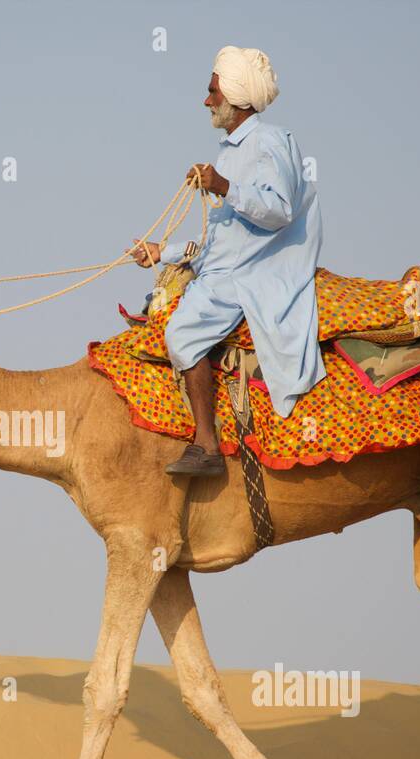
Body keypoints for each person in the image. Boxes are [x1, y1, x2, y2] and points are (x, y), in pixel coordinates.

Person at [129, 45, 325, 477]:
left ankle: (207, 446)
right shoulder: (231, 151)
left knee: (182, 331)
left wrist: (223, 185)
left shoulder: (270, 141)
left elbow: (278, 210)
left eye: (213, 91)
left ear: (235, 97)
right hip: (226, 267)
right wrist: (164, 252)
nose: (207, 101)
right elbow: (220, 238)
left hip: (253, 274)